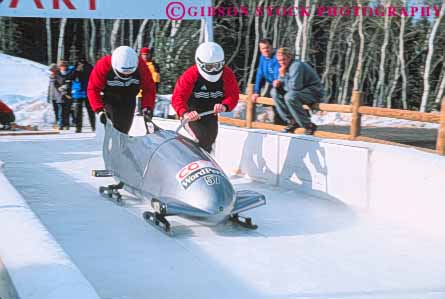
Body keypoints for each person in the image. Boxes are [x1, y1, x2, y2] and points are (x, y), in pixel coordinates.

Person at [172, 42, 239, 153]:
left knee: (210, 139)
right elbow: (178, 97)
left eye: (217, 66)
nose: (213, 70)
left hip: (210, 113)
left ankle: (206, 162)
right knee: (201, 139)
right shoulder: (190, 75)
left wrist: (225, 106)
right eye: (209, 67)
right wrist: (185, 113)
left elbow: (233, 95)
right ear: (200, 64)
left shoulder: (227, 74)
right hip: (191, 113)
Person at [87, 46, 156, 134]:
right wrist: (99, 110)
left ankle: (122, 144)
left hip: (129, 98)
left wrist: (147, 106)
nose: (126, 76)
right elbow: (93, 89)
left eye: (129, 73)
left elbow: (149, 88)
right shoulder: (104, 64)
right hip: (110, 98)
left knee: (123, 129)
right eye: (122, 74)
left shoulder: (141, 66)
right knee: (112, 128)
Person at [271, 48, 323, 135]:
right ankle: (292, 121)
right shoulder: (284, 67)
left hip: (313, 92)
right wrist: (277, 84)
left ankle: (308, 125)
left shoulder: (296, 65)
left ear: (289, 57)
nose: (282, 62)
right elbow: (285, 85)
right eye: (279, 60)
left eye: (284, 59)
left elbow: (295, 87)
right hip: (300, 92)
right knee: (274, 92)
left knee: (290, 97)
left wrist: (283, 77)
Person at [252, 38, 286, 125]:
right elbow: (260, 74)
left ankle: (285, 125)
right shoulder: (262, 58)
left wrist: (277, 81)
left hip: (283, 85)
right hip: (273, 84)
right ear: (260, 49)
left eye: (267, 47)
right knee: (275, 107)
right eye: (263, 48)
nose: (265, 50)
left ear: (271, 47)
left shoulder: (277, 57)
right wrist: (256, 91)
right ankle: (279, 125)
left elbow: (278, 73)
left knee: (281, 106)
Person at [71, 58, 95, 133]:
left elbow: (94, 77)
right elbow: (71, 77)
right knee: (78, 111)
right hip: (78, 92)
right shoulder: (75, 67)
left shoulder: (89, 67)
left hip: (88, 91)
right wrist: (77, 70)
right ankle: (78, 128)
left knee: (90, 110)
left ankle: (93, 126)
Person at [136, 47, 161, 116]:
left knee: (149, 104)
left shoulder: (154, 65)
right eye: (144, 54)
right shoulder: (138, 64)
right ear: (141, 55)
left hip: (150, 88)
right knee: (139, 104)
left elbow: (156, 78)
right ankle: (139, 112)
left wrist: (156, 87)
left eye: (147, 54)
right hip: (139, 90)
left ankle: (148, 113)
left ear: (150, 55)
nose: (145, 56)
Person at [47, 63, 60, 128]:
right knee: (55, 109)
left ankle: (60, 121)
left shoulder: (59, 75)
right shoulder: (51, 76)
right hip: (53, 96)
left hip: (58, 95)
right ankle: (57, 120)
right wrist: (49, 96)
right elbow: (50, 87)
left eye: (52, 69)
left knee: (60, 109)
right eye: (51, 70)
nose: (51, 71)